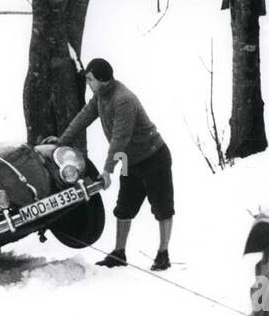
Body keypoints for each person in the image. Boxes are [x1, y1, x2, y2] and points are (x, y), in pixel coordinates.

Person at [44, 58, 175, 271]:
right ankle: (119, 253)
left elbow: (119, 139)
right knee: (124, 207)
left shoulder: (123, 100)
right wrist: (62, 141)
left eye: (90, 79)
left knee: (162, 207)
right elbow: (83, 118)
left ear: (103, 80)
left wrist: (106, 171)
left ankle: (163, 254)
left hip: (154, 157)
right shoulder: (99, 96)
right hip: (128, 161)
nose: (88, 83)